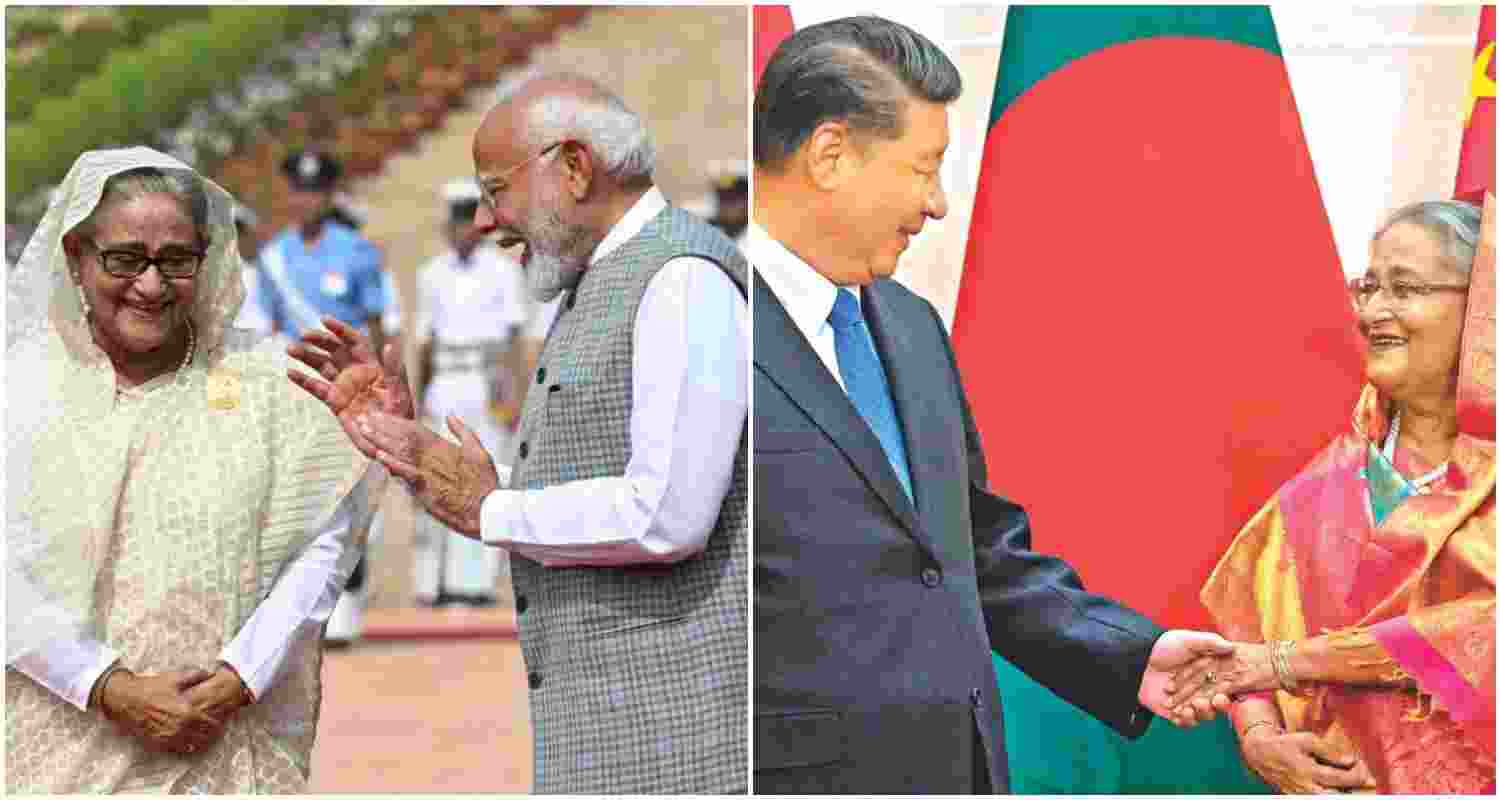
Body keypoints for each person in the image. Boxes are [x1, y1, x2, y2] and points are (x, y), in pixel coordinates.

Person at [749, 17, 1236, 794]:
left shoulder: (910, 325)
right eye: (923, 168)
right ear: (830, 154)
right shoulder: (699, 321)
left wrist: (1128, 655)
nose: (938, 204)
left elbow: (969, 547)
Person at [286, 72, 749, 793]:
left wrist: (493, 511)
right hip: (610, 734)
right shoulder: (599, 280)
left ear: (574, 169)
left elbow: (668, 513)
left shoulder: (679, 279)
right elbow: (580, 474)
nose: (482, 220)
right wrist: (414, 450)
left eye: (496, 190)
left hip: (671, 746)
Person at [5, 147, 380, 793]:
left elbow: (321, 541)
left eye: (176, 260)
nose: (151, 285)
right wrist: (105, 686)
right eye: (125, 258)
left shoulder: (270, 383)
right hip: (57, 740)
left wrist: (239, 678)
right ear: (75, 257)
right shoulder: (21, 389)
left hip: (222, 743)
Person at [1189, 199, 1495, 793]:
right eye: (1368, 288)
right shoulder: (1329, 484)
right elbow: (1244, 632)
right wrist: (1260, 738)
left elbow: (1481, 634)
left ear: (1484, 307)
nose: (1373, 312)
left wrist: (1285, 662)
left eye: (1405, 288)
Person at [256, 149, 389, 645]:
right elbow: (267, 329)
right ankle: (301, 609)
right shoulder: (273, 257)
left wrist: (380, 387)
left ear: (329, 195)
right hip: (296, 392)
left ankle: (347, 603)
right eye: (298, 190)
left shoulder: (357, 251)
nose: (306, 200)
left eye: (315, 191)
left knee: (349, 497)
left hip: (348, 392)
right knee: (296, 502)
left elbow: (375, 324)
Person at [396, 178, 529, 606]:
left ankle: (475, 584)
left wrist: (515, 394)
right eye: (454, 223)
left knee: (484, 476)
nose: (460, 231)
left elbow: (514, 340)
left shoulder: (504, 272)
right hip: (445, 381)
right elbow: (424, 343)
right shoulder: (431, 273)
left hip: (486, 380)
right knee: (437, 473)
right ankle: (430, 581)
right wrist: (417, 398)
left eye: (467, 222)